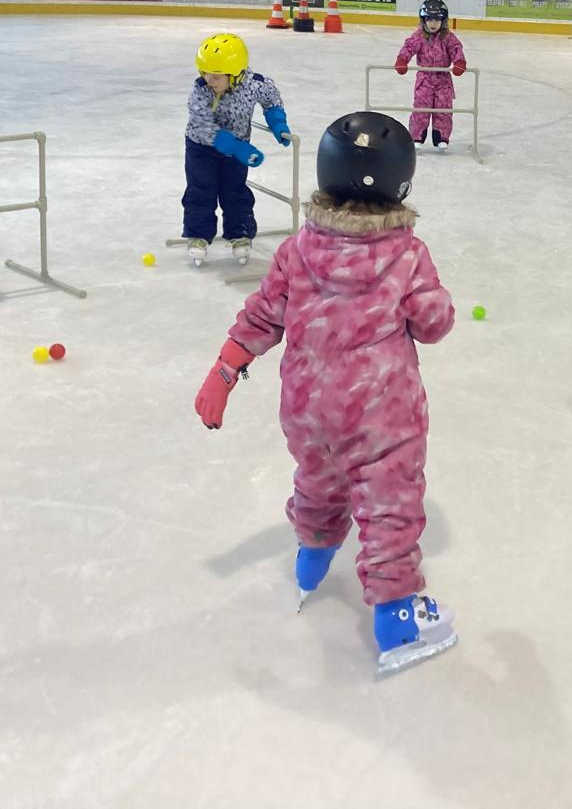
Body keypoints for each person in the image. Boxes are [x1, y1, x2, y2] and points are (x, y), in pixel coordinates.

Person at [193, 111, 458, 675]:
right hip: (382, 415)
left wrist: (224, 370)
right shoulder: (407, 253)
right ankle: (397, 620)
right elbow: (434, 324)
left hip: (307, 407)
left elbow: (263, 315)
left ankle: (311, 562)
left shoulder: (297, 249)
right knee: (388, 506)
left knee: (319, 479)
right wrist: (434, 299)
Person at [182, 33, 292, 268]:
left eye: (216, 75)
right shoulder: (201, 89)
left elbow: (272, 99)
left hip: (236, 151)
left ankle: (239, 232)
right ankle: (198, 235)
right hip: (201, 148)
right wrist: (237, 148)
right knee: (201, 190)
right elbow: (203, 124)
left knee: (235, 190)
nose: (209, 79)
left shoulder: (256, 84)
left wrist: (278, 123)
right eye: (205, 73)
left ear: (236, 73)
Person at [395, 0, 467, 150]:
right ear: (424, 20)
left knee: (443, 108)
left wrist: (459, 62)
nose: (433, 23)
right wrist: (402, 59)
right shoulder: (419, 36)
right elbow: (409, 46)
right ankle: (417, 137)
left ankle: (441, 136)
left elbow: (456, 48)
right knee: (421, 107)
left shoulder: (447, 37)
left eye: (437, 20)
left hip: (443, 79)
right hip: (425, 79)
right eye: (429, 19)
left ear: (443, 20)